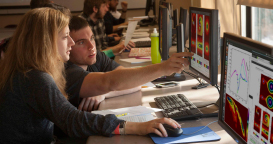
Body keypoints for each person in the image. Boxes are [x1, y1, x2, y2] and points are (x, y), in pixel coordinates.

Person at [0, 8, 181, 143]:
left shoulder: (29, 70)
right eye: (65, 37)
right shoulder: (35, 77)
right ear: (45, 43)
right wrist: (137, 127)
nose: (70, 43)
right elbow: (72, 120)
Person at [67, 16, 194, 111]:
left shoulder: (96, 56)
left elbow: (133, 81)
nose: (91, 46)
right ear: (68, 45)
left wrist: (103, 94)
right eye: (81, 42)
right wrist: (163, 67)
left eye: (92, 38)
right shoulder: (68, 72)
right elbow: (111, 82)